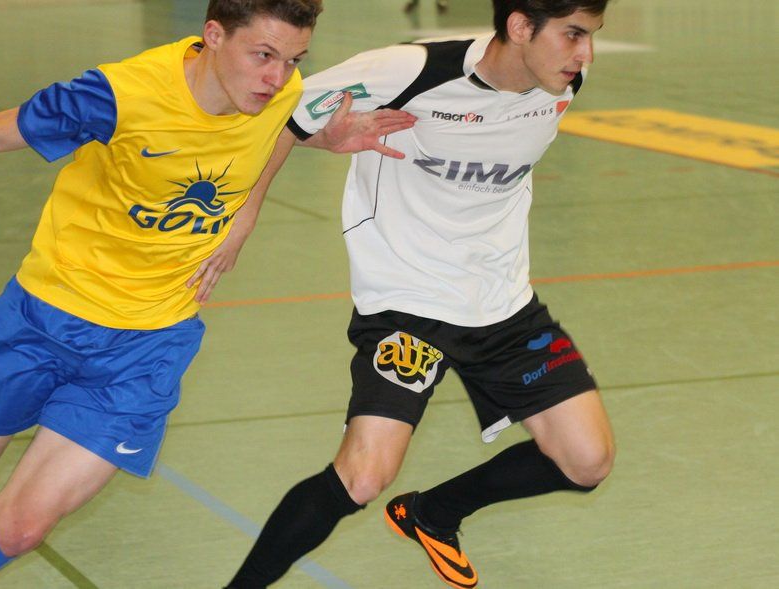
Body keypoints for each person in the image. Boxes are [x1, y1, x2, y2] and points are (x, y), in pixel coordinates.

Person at [0, 0, 416, 586]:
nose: (278, 77)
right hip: (44, 315)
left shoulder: (279, 90)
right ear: (213, 35)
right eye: (264, 55)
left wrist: (310, 152)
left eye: (294, 59)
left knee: (19, 529)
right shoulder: (120, 95)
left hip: (148, 346)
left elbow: (275, 133)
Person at [226, 1, 616, 587]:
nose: (585, 54)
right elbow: (278, 112)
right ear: (519, 27)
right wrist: (263, 197)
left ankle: (432, 513)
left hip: (503, 303)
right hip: (407, 302)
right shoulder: (410, 70)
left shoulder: (563, 82)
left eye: (591, 37)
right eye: (574, 34)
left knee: (588, 461)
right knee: (362, 475)